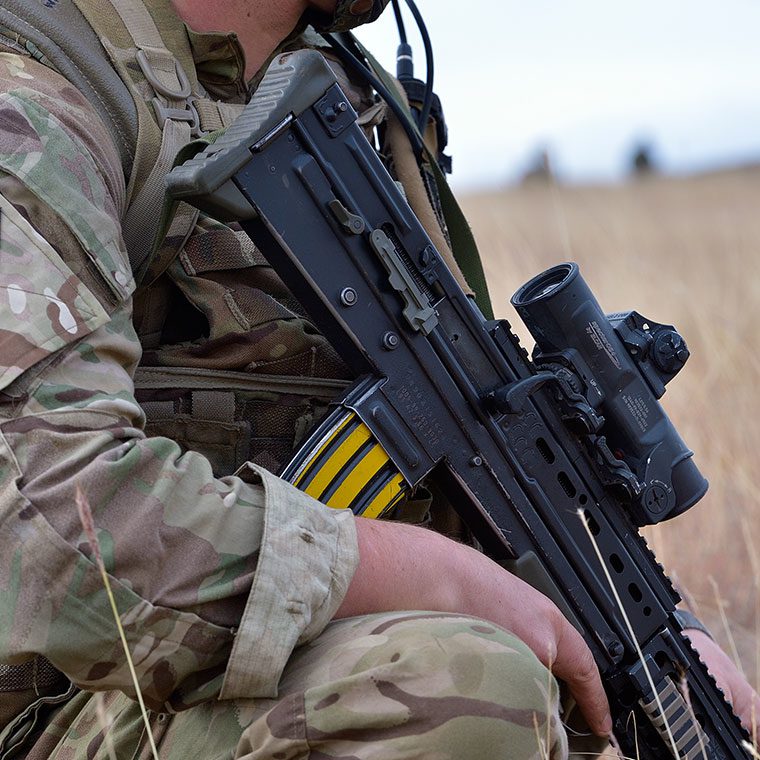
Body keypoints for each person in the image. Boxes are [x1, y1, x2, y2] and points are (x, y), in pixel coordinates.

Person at [0, 1, 756, 758]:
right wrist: (415, 574)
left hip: (274, 665)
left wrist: (648, 632)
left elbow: (479, 428)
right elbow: (53, 528)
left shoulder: (350, 94)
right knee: (471, 687)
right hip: (68, 703)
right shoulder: (37, 92)